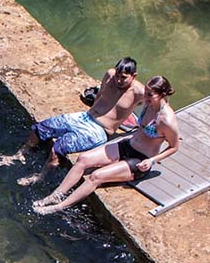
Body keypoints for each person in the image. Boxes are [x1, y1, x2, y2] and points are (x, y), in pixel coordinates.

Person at [33, 75, 179, 213]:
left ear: (163, 94)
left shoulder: (166, 120)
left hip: (140, 159)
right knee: (83, 159)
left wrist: (151, 161)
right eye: (145, 92)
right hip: (127, 145)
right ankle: (55, 195)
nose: (145, 97)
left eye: (150, 95)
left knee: (96, 176)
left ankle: (59, 206)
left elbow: (174, 147)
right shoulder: (148, 104)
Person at [0, 57, 144, 181]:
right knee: (40, 128)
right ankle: (20, 154)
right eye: (118, 75)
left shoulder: (139, 92)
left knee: (58, 149)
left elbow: (159, 106)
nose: (118, 80)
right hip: (85, 117)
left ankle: (40, 177)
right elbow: (100, 95)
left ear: (134, 76)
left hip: (100, 130)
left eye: (123, 78)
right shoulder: (110, 74)